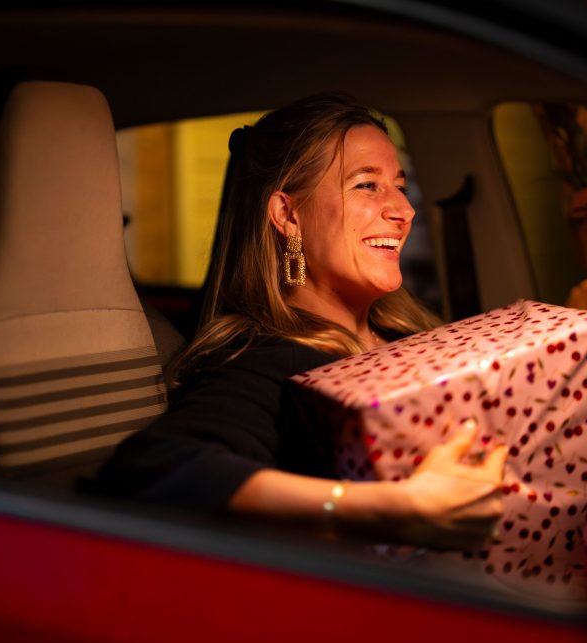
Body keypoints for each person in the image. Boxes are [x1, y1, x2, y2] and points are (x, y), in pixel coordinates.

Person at [93, 93, 506, 550]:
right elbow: (158, 467)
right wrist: (386, 510)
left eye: (400, 186)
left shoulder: (412, 334)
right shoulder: (274, 362)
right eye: (367, 186)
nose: (404, 211)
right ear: (288, 215)